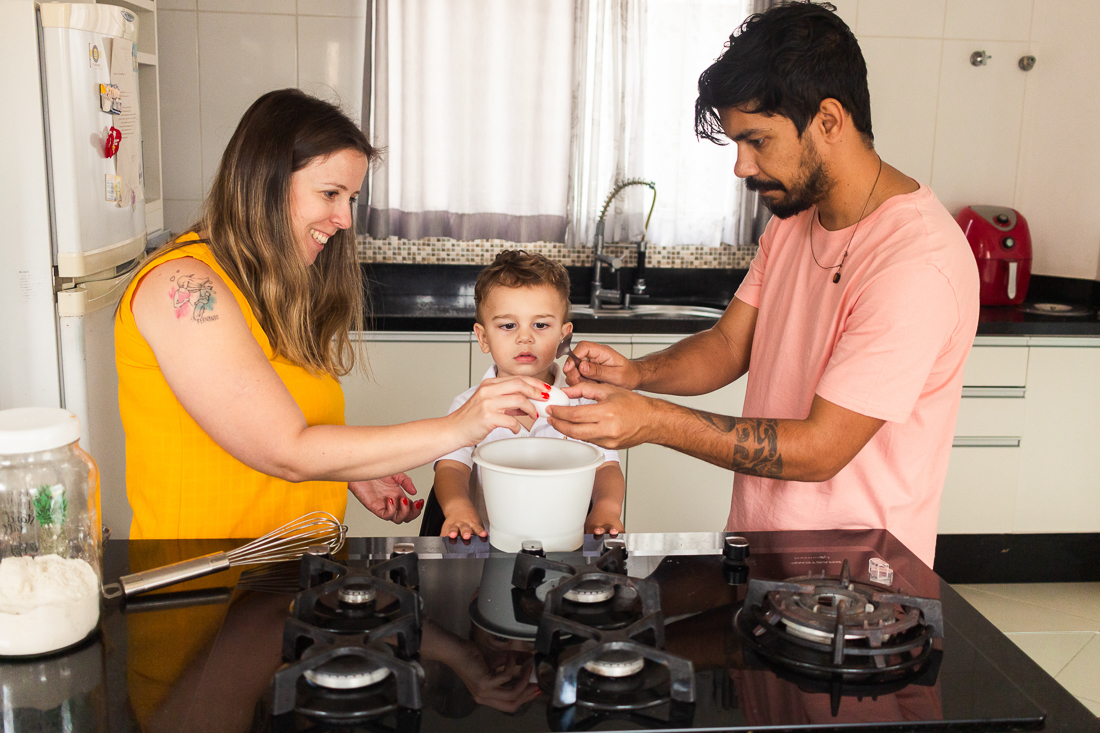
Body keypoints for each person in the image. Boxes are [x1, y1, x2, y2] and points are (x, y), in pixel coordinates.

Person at [549, 1, 979, 566]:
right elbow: (730, 345)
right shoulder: (794, 220)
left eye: (757, 141)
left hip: (859, 582)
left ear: (828, 121)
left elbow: (822, 449)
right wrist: (638, 374)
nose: (742, 168)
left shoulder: (915, 263)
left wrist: (652, 420)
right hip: (762, 548)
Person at [115, 89, 546, 539]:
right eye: (329, 193)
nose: (343, 218)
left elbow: (278, 422)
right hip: (205, 588)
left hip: (292, 574)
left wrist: (349, 468)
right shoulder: (182, 287)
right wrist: (461, 426)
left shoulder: (275, 281)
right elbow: (286, 450)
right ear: (267, 181)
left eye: (351, 199)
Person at [432, 250, 625, 540]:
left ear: (563, 335)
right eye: (508, 325)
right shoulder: (468, 405)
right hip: (492, 544)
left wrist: (607, 509)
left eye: (541, 325)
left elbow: (607, 467)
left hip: (566, 544)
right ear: (483, 338)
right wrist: (458, 509)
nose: (525, 337)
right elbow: (451, 467)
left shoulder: (583, 401)